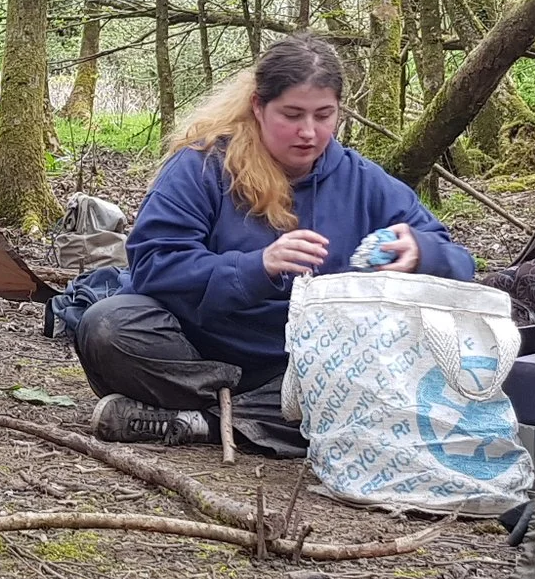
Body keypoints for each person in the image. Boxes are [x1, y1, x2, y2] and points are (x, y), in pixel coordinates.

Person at [76, 36, 477, 455]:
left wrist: (421, 253)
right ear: (258, 107)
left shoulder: (364, 182)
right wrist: (258, 267)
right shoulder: (203, 166)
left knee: (380, 377)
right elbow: (154, 264)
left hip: (305, 366)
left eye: (324, 115)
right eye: (292, 114)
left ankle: (200, 423)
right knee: (109, 326)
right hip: (198, 348)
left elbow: (460, 264)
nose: (309, 132)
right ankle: (259, 418)